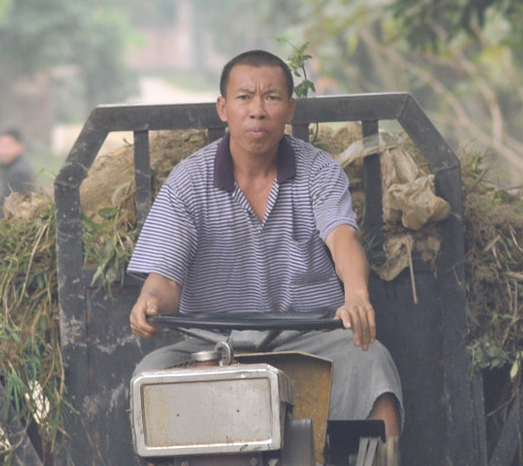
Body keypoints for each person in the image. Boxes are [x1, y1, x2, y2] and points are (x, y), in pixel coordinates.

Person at [127, 50, 403, 443]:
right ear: (223, 108)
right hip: (215, 347)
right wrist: (149, 303)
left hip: (308, 338)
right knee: (150, 376)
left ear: (289, 108)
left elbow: (343, 237)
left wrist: (356, 295)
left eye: (271, 98)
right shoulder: (188, 181)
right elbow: (164, 281)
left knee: (372, 362)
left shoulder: (319, 170)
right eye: (244, 98)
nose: (257, 111)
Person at [0, 128, 37, 212]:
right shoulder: (11, 169)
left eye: (6, 146)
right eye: (0, 146)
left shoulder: (18, 174)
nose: (2, 151)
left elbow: (7, 207)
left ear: (20, 147)